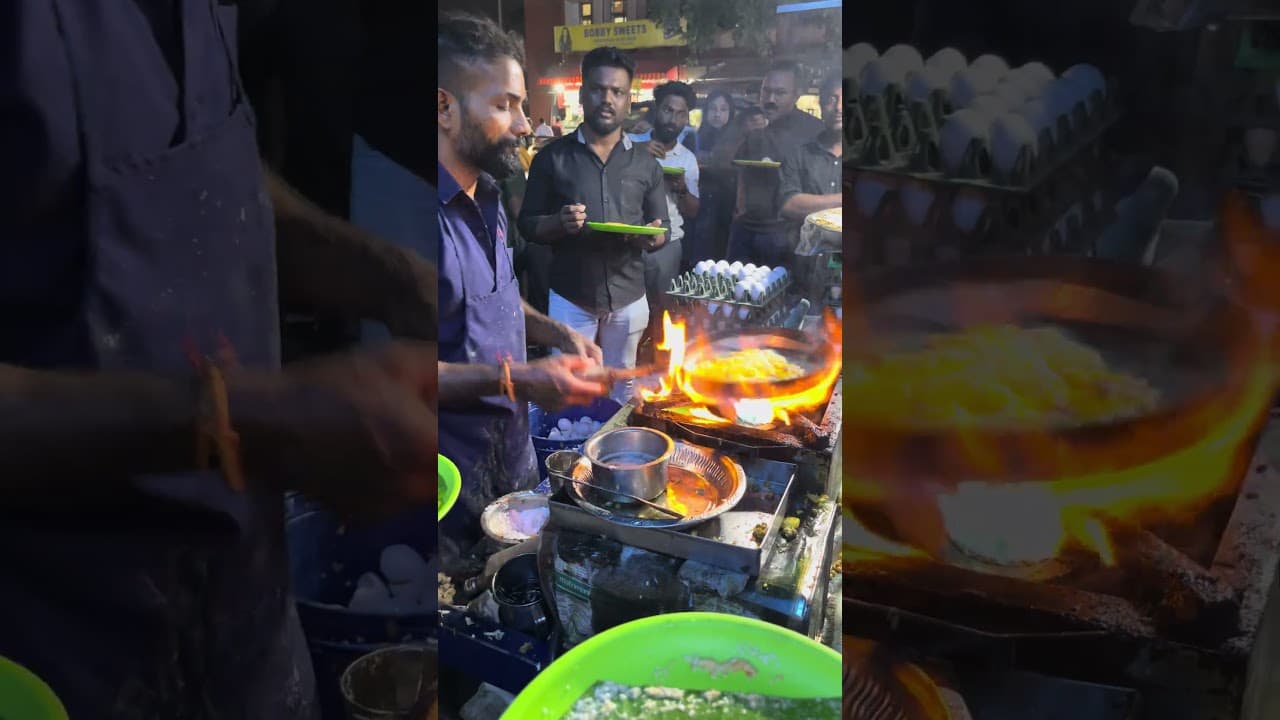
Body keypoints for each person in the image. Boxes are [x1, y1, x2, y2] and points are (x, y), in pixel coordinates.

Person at [0, 2, 443, 717]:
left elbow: (196, 165)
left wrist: (387, 276)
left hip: (246, 612)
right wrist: (240, 420)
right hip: (58, 648)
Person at [437, 13, 607, 577]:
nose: (525, 125)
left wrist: (557, 332)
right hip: (448, 479)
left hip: (510, 453)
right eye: (505, 105)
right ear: (443, 108)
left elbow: (501, 299)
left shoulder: (490, 194)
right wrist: (518, 378)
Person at [519, 46, 670, 402]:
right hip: (572, 295)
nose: (607, 99)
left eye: (617, 92)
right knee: (571, 387)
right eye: (598, 89)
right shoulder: (551, 158)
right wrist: (558, 222)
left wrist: (653, 238)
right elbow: (527, 225)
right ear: (584, 92)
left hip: (629, 294)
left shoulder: (646, 165)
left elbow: (660, 230)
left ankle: (618, 450)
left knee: (623, 385)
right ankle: (572, 454)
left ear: (628, 100)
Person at [729, 61, 825, 268]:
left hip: (785, 234)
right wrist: (744, 132)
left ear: (796, 95)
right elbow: (728, 164)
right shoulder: (749, 121)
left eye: (780, 93)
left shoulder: (814, 130)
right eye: (766, 91)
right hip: (745, 228)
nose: (770, 99)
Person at [638, 81, 700, 348]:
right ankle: (632, 362)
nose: (672, 119)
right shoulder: (631, 145)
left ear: (686, 118)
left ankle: (660, 366)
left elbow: (694, 210)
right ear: (655, 110)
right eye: (667, 110)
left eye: (680, 113)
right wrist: (636, 156)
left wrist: (682, 189)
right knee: (630, 311)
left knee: (663, 310)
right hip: (631, 240)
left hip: (669, 243)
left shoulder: (687, 159)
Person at [778, 72, 843, 233]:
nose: (839, 107)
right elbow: (789, 205)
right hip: (808, 255)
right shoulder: (799, 154)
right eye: (831, 100)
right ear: (821, 106)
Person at [692, 89, 738, 263]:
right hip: (702, 202)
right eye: (713, 109)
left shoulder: (738, 139)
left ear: (730, 112)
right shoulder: (695, 137)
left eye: (723, 109)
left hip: (728, 203)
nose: (717, 114)